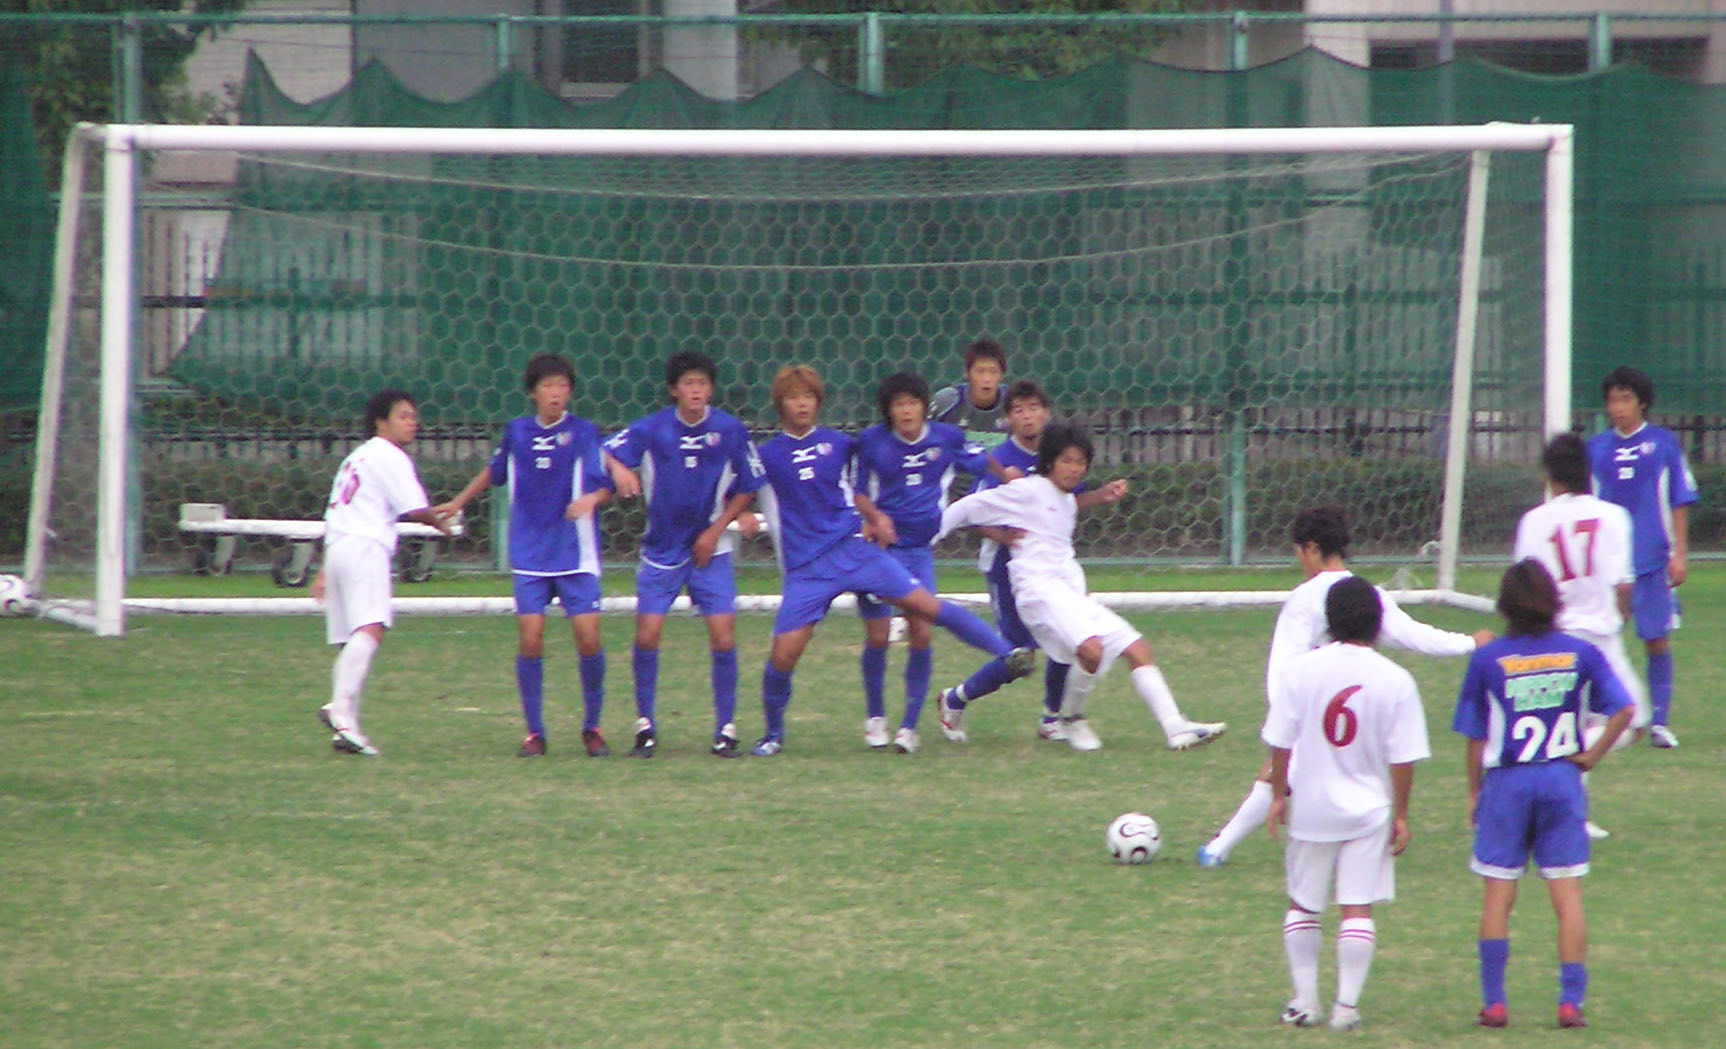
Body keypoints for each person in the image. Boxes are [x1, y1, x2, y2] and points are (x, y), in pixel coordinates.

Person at [749, 364, 1032, 757]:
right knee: (785, 653)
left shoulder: (842, 444)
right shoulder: (766, 455)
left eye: (809, 397)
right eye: (794, 397)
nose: (802, 404)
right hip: (807, 568)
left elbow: (964, 454)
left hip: (855, 549)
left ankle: (1005, 652)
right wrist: (735, 517)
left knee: (926, 610)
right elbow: (736, 487)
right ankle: (773, 735)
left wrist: (1008, 475)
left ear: (818, 402)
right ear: (780, 404)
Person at [1197, 505, 1490, 867]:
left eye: (1299, 552)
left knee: (1285, 775)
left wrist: (1286, 715)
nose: (1299, 561)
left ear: (1312, 548)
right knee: (1311, 775)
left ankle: (1218, 850)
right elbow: (1414, 636)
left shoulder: (1304, 600)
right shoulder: (1367, 594)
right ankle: (1220, 848)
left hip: (1313, 707)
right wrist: (1469, 643)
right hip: (1362, 710)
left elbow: (1282, 670)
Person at [935, 422, 1226, 752]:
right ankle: (1069, 719)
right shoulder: (1027, 490)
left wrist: (1080, 588)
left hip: (1066, 594)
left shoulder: (1068, 503)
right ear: (1049, 461)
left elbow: (1061, 552)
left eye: (1080, 462)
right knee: (1079, 652)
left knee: (1139, 649)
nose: (1074, 469)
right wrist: (929, 535)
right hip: (1038, 594)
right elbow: (967, 508)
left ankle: (1176, 728)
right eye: (1067, 460)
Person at [1453, 559, 1635, 1030]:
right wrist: (1592, 756)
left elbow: (1475, 737)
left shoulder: (1488, 659)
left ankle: (1495, 1003)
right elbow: (1625, 708)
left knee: (1498, 894)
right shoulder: (1579, 652)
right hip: (1560, 779)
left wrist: (1474, 793)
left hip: (1507, 782)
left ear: (1505, 605)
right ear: (1554, 601)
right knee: (1567, 893)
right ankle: (1570, 1003)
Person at [1264, 575, 1430, 1032]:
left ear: (1328, 622)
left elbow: (1280, 743)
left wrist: (1279, 794)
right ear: (1377, 623)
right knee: (1357, 908)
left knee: (1304, 905)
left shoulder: (1300, 670)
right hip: (1368, 811)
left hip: (1313, 806)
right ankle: (1347, 1008)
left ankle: (1304, 1002)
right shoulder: (1395, 679)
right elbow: (1404, 757)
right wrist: (1400, 813)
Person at [435, 354, 615, 758]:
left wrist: (590, 498)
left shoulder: (584, 432)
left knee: (589, 639)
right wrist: (459, 501)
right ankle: (535, 733)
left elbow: (606, 485)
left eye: (563, 386)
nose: (556, 393)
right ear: (534, 392)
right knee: (531, 638)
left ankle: (593, 726)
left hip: (575, 553)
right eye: (549, 386)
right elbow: (494, 471)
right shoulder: (517, 432)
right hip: (530, 553)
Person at [602, 350, 767, 759]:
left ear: (711, 389)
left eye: (703, 384)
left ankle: (726, 729)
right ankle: (645, 727)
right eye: (689, 384)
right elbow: (604, 448)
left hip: (712, 550)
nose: (696, 391)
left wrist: (717, 528)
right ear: (674, 389)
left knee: (723, 635)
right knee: (648, 634)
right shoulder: (653, 428)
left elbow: (750, 483)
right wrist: (620, 468)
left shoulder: (729, 430)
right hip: (662, 547)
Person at [854, 370, 1002, 754]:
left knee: (921, 633)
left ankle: (909, 727)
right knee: (878, 636)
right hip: (878, 553)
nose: (906, 411)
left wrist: (1010, 474)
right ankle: (875, 717)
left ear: (925, 407)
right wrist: (874, 518)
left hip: (919, 553)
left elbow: (980, 461)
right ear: (889, 410)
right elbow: (855, 492)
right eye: (898, 404)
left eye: (913, 403)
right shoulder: (871, 443)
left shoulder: (946, 439)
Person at [1513, 432, 1644, 838]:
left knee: (1569, 722)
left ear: (1550, 476)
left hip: (1551, 636)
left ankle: (1565, 801)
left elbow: (1524, 582)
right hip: (1600, 638)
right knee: (1633, 722)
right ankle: (1565, 794)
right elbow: (1623, 584)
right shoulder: (1613, 516)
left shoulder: (1534, 520)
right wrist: (1623, 615)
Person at [934, 379, 1076, 744]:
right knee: (1019, 656)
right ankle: (954, 699)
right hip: (1005, 568)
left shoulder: (1057, 457)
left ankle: (1052, 717)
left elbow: (1069, 501)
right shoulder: (1002, 463)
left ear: (1047, 413)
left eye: (1033, 409)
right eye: (1018, 411)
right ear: (1007, 420)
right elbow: (974, 512)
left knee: (1067, 635)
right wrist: (1000, 536)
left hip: (1049, 566)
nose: (1027, 417)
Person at [313, 388, 452, 757]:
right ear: (381, 421)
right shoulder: (389, 454)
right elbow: (415, 508)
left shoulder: (356, 458)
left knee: (352, 640)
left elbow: (336, 513)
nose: (413, 423)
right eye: (404, 416)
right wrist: (442, 521)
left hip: (340, 547)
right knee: (371, 629)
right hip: (365, 547)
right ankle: (339, 709)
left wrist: (326, 569)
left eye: (414, 416)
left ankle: (347, 729)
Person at [1586, 365, 1699, 749]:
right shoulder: (1597, 449)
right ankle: (1603, 715)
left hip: (1653, 561)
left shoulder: (1664, 445)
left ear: (1642, 402)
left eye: (1626, 399)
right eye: (1612, 400)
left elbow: (1679, 500)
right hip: (1609, 567)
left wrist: (1679, 553)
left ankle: (1660, 723)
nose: (1618, 407)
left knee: (1656, 641)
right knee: (1601, 640)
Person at [930, 338, 1012, 449]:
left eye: (993, 371)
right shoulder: (946, 401)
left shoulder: (1013, 402)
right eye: (980, 371)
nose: (987, 379)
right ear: (967, 373)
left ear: (1002, 375)